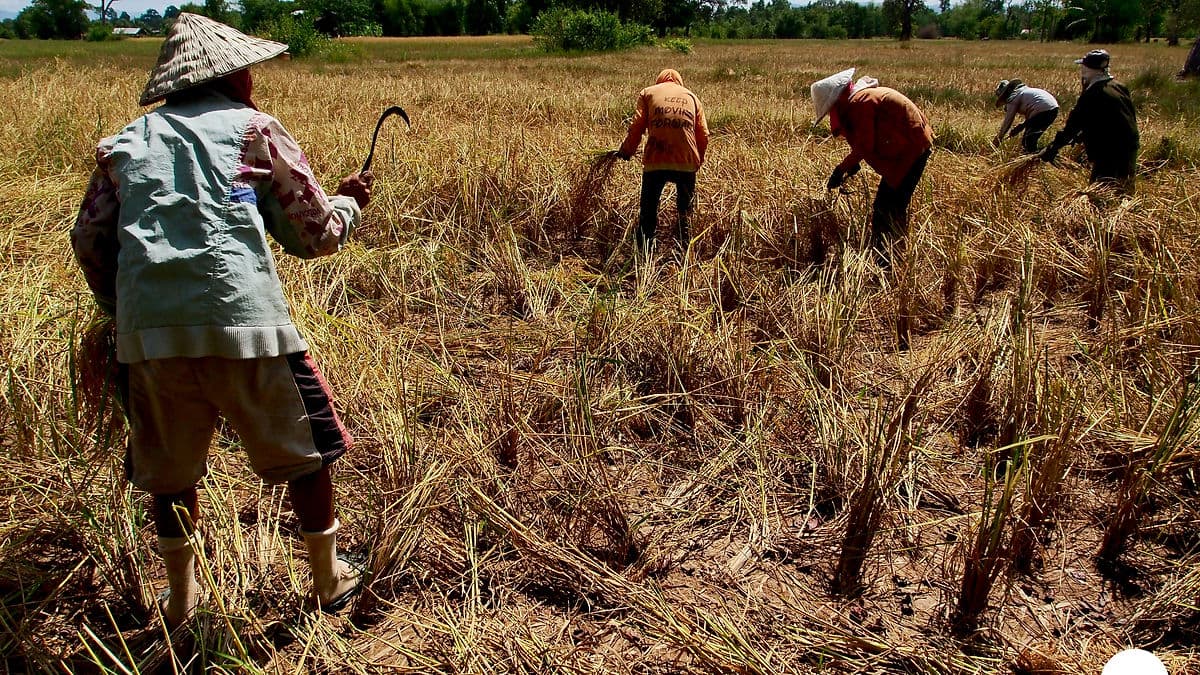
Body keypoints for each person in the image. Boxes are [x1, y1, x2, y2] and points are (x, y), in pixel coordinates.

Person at [71, 13, 372, 627]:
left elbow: (90, 242)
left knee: (171, 473)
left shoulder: (124, 144)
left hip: (148, 339)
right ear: (235, 75)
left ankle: (181, 603)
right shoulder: (255, 130)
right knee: (308, 454)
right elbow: (313, 234)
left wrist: (121, 314)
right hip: (248, 326)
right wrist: (348, 205)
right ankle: (328, 579)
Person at [811, 68, 933, 266]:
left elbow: (865, 145)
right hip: (910, 147)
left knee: (886, 209)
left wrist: (841, 169)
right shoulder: (862, 97)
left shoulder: (860, 103)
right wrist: (853, 163)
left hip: (910, 150)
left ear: (838, 100)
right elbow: (869, 140)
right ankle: (894, 255)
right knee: (891, 206)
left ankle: (887, 261)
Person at [615, 69, 709, 255]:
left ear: (659, 81)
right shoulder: (692, 97)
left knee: (648, 210)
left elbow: (636, 127)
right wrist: (697, 161)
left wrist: (626, 151)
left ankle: (645, 252)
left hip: (656, 159)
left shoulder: (648, 93)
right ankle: (684, 250)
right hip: (686, 161)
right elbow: (704, 135)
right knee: (685, 211)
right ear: (679, 83)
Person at [1039, 50, 1139, 193]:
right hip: (1130, 145)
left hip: (1110, 149)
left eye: (1083, 67)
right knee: (1124, 189)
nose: (1082, 70)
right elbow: (1116, 117)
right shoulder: (1119, 86)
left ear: (1090, 69)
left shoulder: (1093, 93)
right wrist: (1083, 134)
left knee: (1100, 193)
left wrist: (1054, 147)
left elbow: (1074, 123)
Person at [992, 79, 1059, 153]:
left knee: (1028, 141)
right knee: (1029, 138)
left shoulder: (1013, 98)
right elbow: (1031, 118)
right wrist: (1020, 127)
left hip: (1044, 110)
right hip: (1053, 109)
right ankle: (1039, 155)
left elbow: (1008, 121)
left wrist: (998, 139)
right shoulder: (1024, 92)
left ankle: (1039, 157)